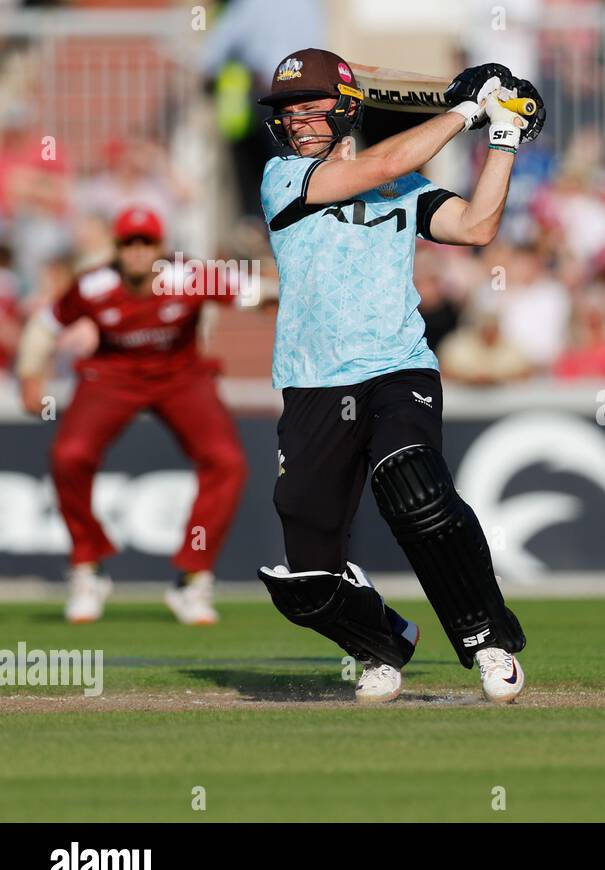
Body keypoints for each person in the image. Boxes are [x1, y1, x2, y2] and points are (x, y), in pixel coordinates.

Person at [255, 48, 544, 704]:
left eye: (310, 107)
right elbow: (385, 160)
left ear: (346, 109)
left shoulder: (402, 187)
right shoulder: (283, 178)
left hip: (396, 368)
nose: (297, 121)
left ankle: (488, 640)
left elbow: (475, 226)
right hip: (311, 383)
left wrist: (502, 136)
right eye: (288, 111)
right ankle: (382, 643)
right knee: (306, 579)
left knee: (414, 483)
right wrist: (469, 107)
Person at [13, 207, 248, 624]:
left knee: (226, 461)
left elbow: (253, 292)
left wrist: (286, 296)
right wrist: (32, 373)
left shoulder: (191, 276)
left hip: (182, 375)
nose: (137, 252)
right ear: (117, 248)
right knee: (69, 455)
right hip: (111, 375)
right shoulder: (93, 284)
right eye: (129, 243)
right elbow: (46, 324)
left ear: (161, 247)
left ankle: (193, 578)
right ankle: (87, 568)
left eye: (146, 242)